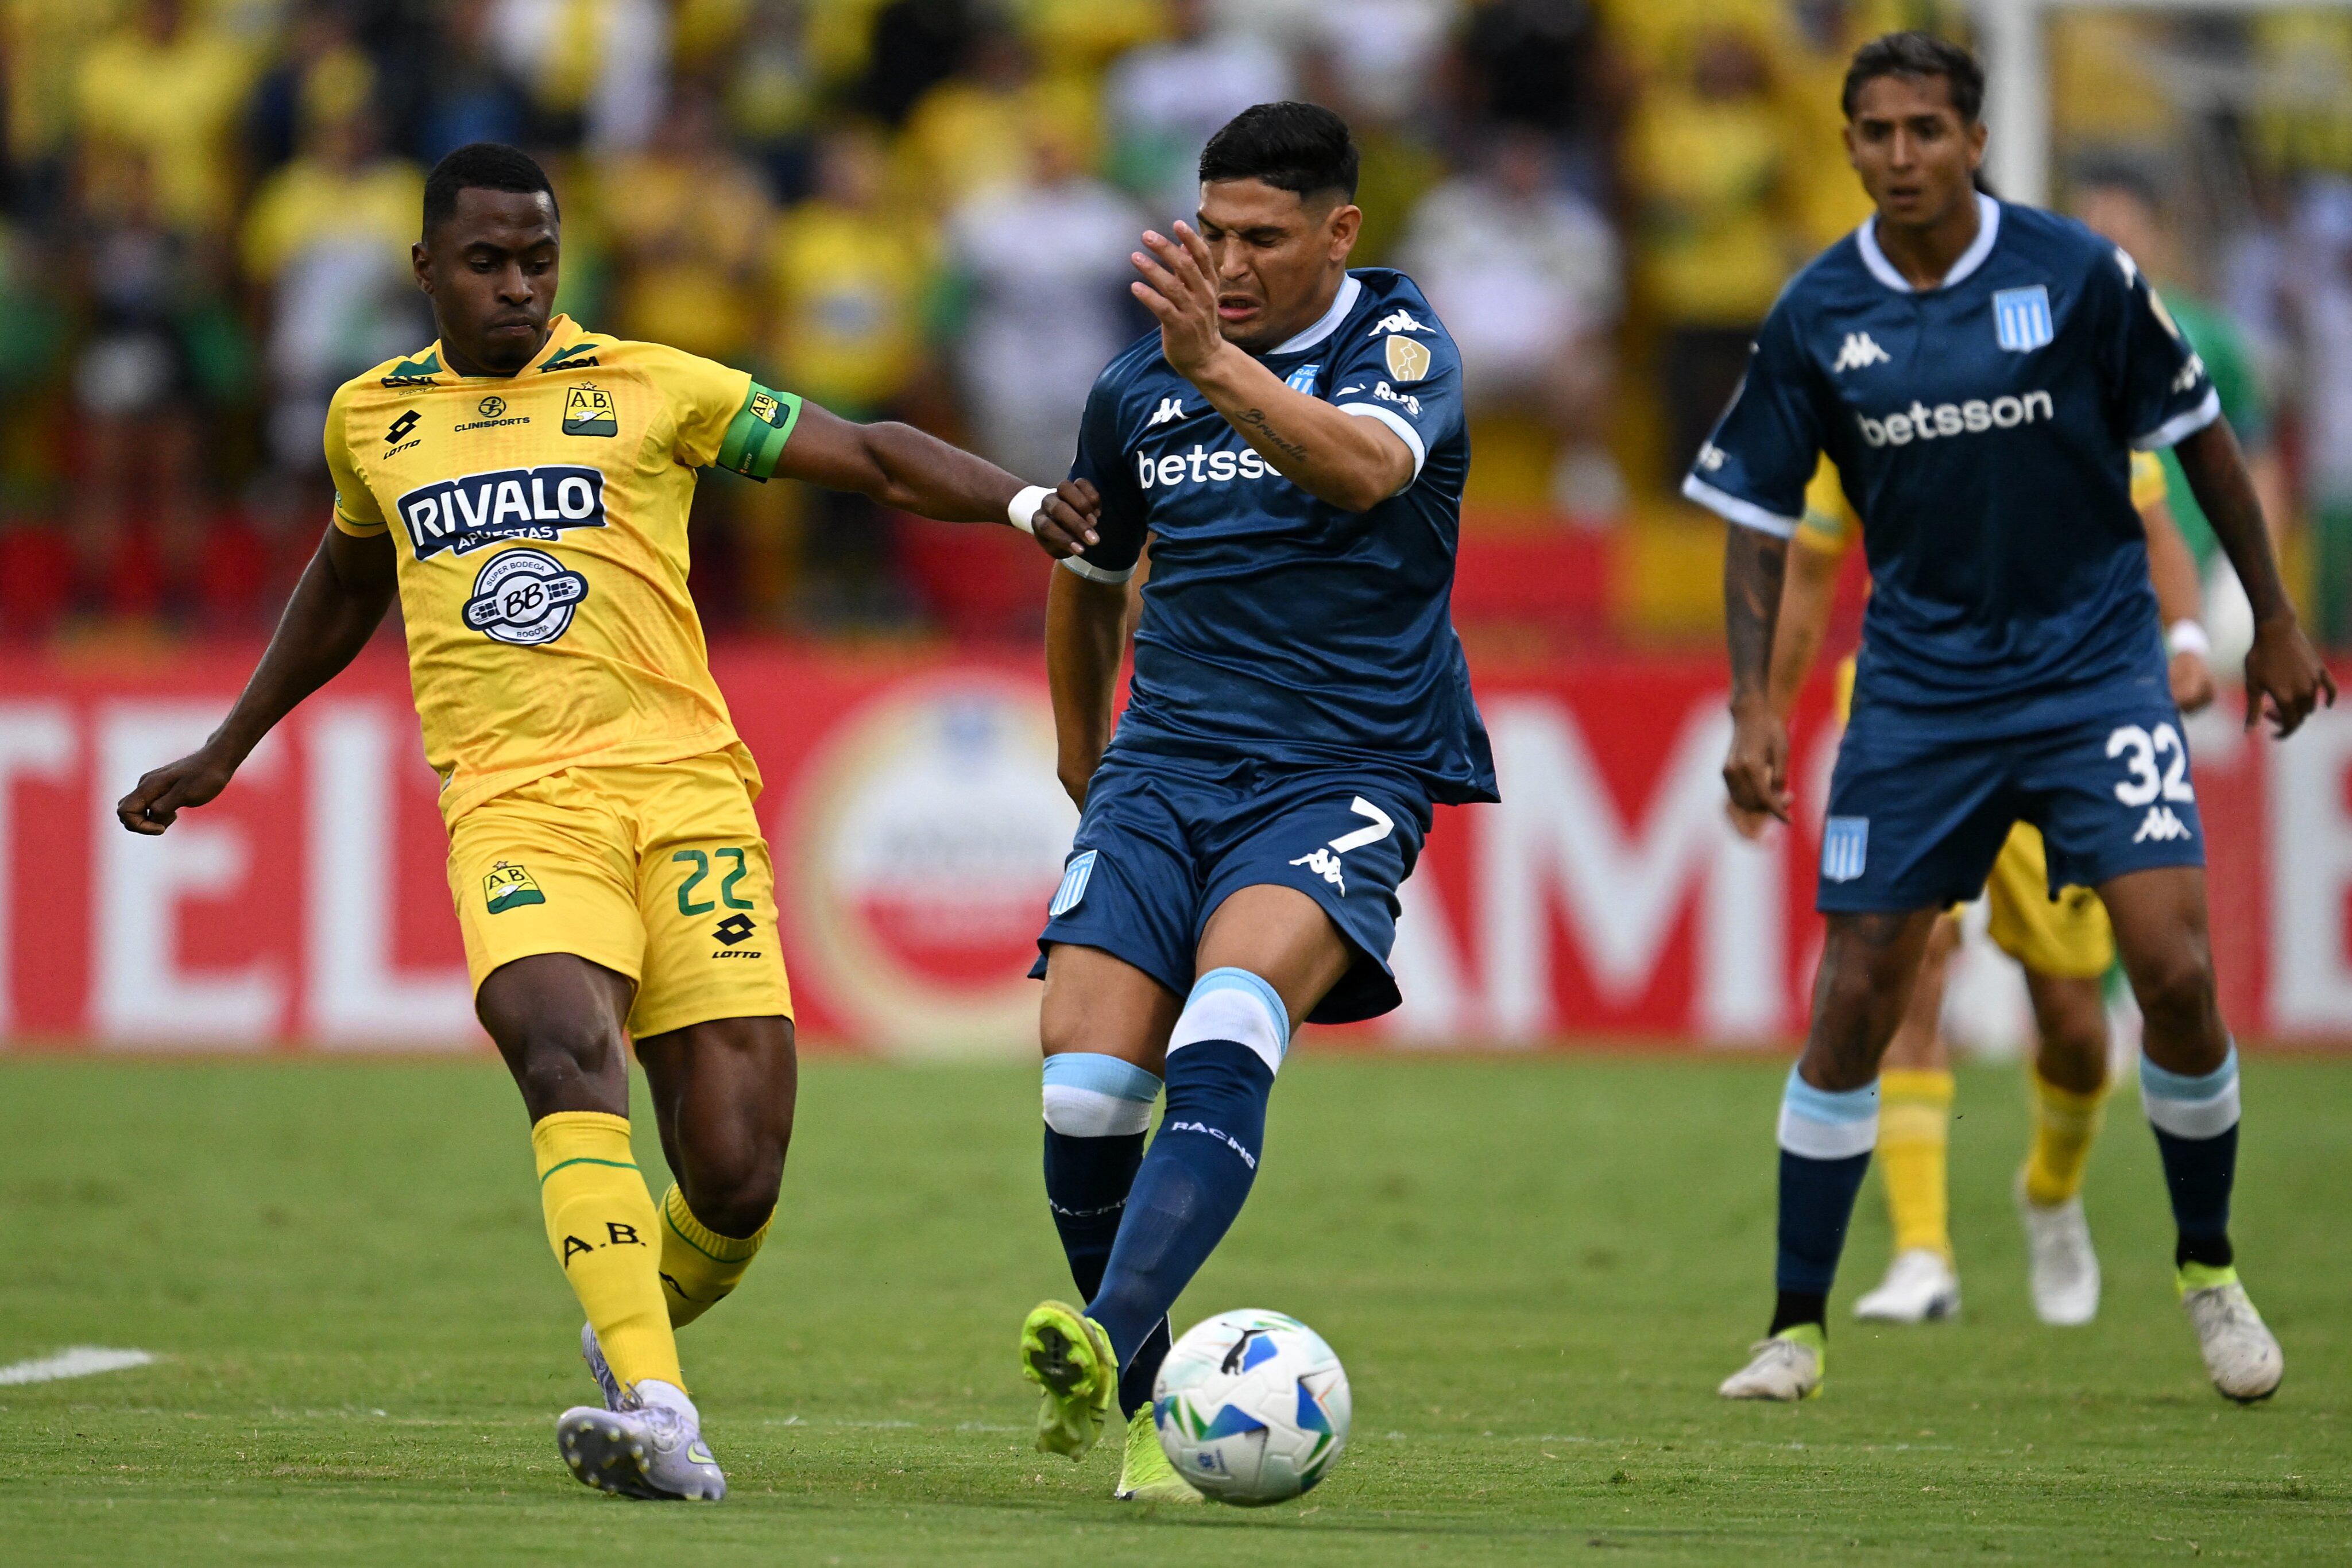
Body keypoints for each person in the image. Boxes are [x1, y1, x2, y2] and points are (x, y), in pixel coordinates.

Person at [114, 142, 1097, 1502]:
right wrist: (229, 745)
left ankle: (623, 1317)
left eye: (537, 260)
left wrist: (1021, 498)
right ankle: (658, 1407)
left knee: (738, 1172)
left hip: (687, 795)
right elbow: (346, 581)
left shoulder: (650, 384)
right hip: (515, 803)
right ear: (424, 270)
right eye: (485, 262)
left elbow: (863, 452)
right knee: (564, 1048)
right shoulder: (371, 420)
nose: (516, 286)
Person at [1690, 33, 2331, 1404]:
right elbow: (1757, 515)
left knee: (2169, 971)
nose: (1899, 155)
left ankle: (2206, 1272)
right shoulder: (1814, 312)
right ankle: (1793, 1325)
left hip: (2093, 678)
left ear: (1973, 139)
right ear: (1850, 144)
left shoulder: (2079, 277)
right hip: (1920, 694)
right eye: (1874, 133)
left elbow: (2199, 433)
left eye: (1925, 129)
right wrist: (1753, 705)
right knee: (1857, 989)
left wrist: (2269, 617)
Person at [1016, 102, 1493, 1500]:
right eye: (1209, 232)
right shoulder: (1132, 389)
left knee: (1232, 1015)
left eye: (1261, 238)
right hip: (1162, 767)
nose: (1226, 261)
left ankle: (1101, 1343)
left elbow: (1357, 472)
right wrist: (1078, 757)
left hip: (1343, 766)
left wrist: (1214, 366)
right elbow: (1087, 576)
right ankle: (1157, 1409)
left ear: (1338, 233)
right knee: (1087, 1082)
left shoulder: (1397, 347)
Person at [1735, 450, 2215, 1329]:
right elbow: (1807, 570)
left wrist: (2187, 638)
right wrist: (1764, 719)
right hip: (1908, 720)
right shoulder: (1862, 373)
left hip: (2057, 718)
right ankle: (1923, 1253)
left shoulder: (2069, 350)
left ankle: (2050, 1193)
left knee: (2072, 1022)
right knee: (1902, 976)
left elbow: (2154, 523)